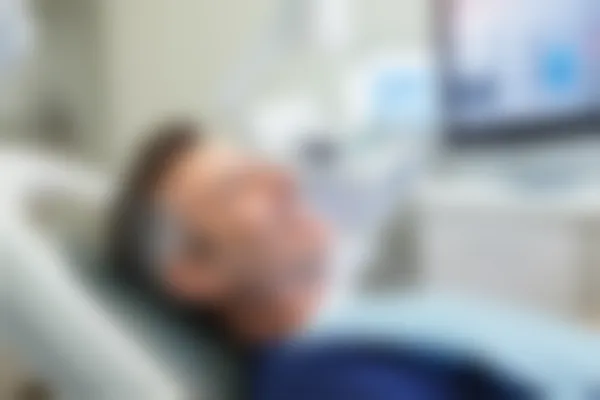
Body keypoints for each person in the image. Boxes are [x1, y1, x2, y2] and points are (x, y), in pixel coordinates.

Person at [108, 120, 533, 399]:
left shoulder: (346, 338)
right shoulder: (323, 381)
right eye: (239, 186)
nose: (286, 179)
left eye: (263, 166)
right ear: (196, 273)